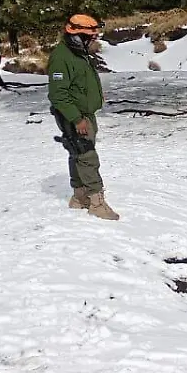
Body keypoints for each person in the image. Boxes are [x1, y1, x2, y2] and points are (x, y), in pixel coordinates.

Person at [48, 14, 118, 220]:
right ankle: (96, 202)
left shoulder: (78, 53)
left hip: (84, 114)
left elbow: (79, 82)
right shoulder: (62, 57)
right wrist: (77, 119)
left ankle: (79, 197)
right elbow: (58, 94)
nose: (94, 39)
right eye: (90, 36)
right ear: (77, 36)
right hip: (75, 117)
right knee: (87, 156)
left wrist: (94, 94)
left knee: (77, 153)